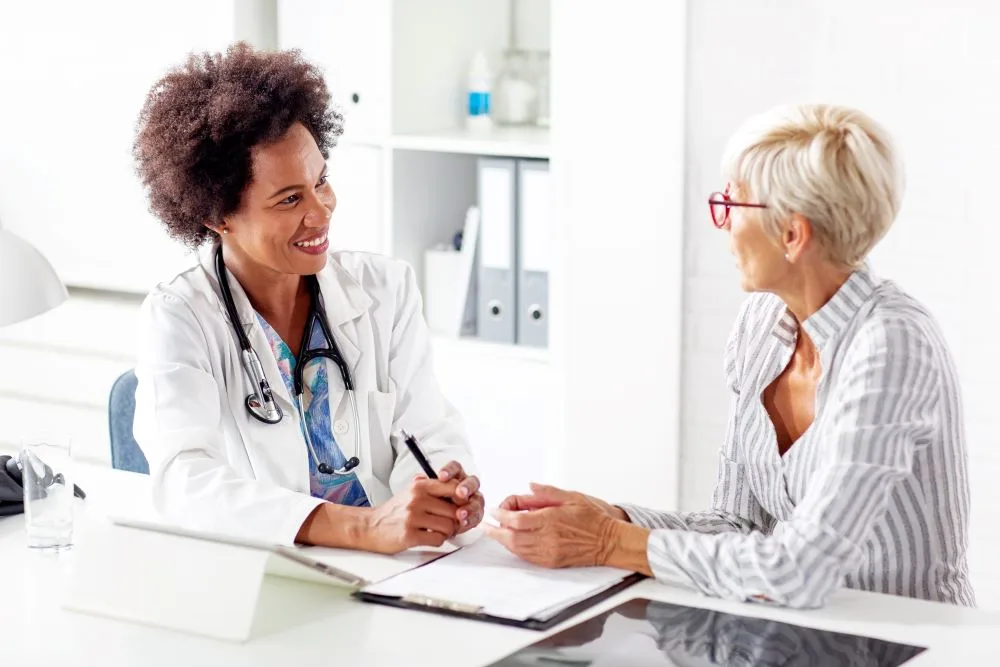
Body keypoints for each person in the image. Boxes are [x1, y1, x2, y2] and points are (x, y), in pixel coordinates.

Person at [486, 104, 974, 608]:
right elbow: (737, 526)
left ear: (792, 234)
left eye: (731, 205)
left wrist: (609, 542)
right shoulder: (762, 325)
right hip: (799, 639)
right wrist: (612, 517)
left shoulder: (892, 345)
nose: (721, 225)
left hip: (910, 643)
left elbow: (799, 571)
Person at [131, 43, 483, 553]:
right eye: (290, 199)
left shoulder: (385, 290)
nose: (321, 213)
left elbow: (428, 429)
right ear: (218, 217)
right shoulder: (181, 317)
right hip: (272, 570)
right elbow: (184, 480)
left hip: (397, 567)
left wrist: (442, 493)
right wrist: (362, 528)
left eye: (321, 182)